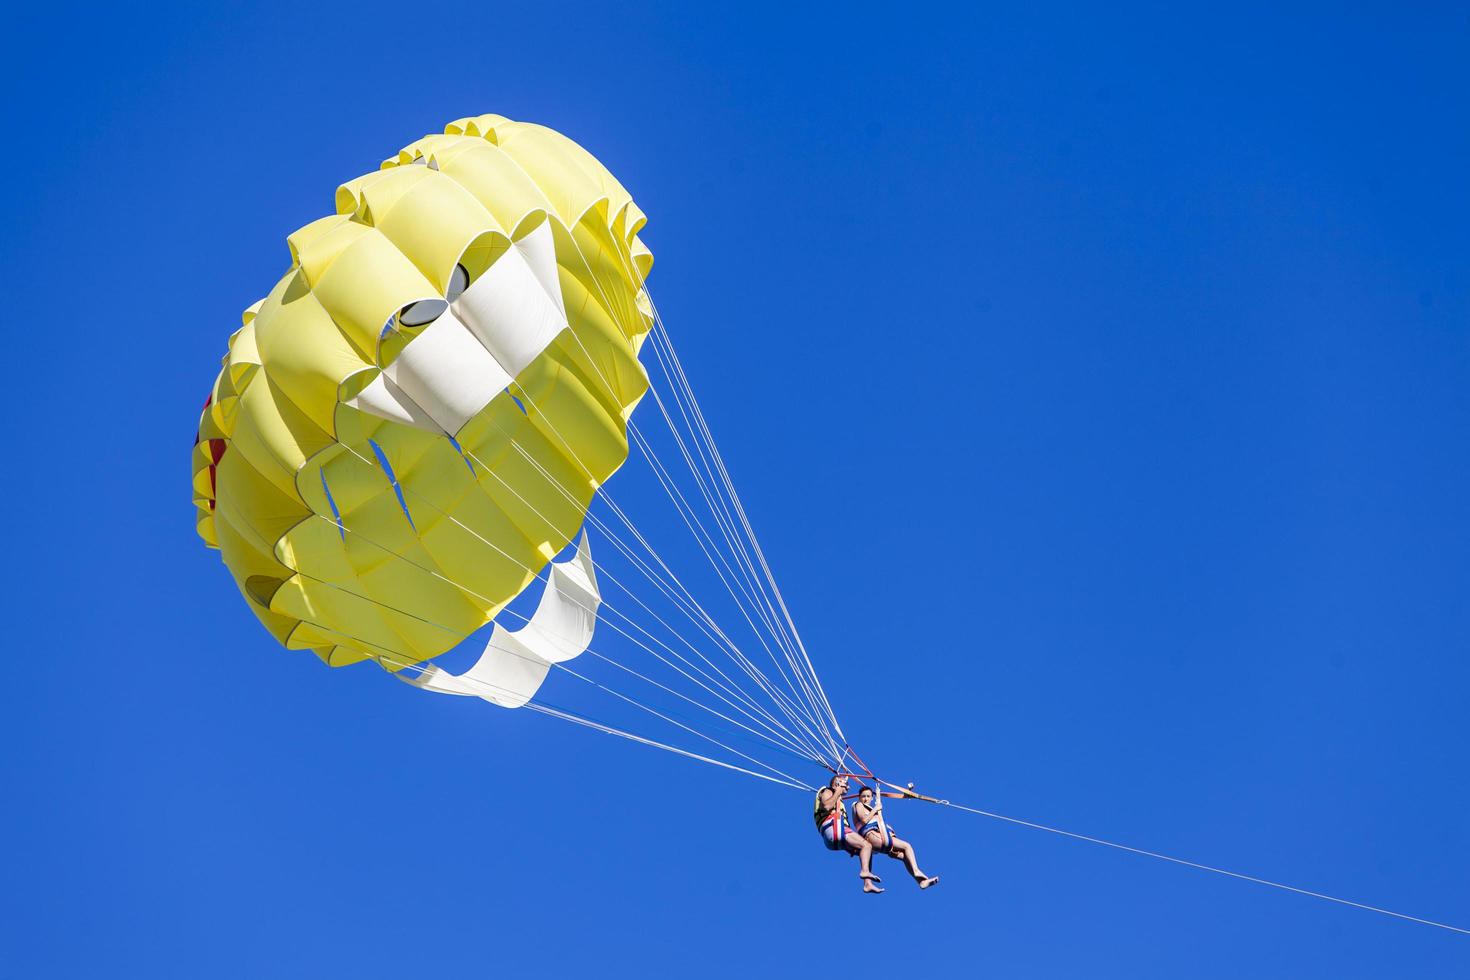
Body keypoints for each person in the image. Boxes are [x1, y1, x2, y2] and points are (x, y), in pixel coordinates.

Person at [852, 785, 940, 889]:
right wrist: (876, 808)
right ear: (859, 797)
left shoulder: (871, 808)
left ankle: (921, 882)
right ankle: (916, 871)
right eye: (863, 796)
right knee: (907, 846)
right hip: (872, 836)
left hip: (880, 836)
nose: (865, 799)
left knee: (904, 856)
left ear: (872, 798)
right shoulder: (858, 805)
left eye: (868, 796)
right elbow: (864, 820)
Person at [814, 775, 883, 893]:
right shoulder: (827, 791)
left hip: (835, 836)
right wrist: (838, 791)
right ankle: (865, 872)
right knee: (866, 845)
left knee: (867, 850)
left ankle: (867, 884)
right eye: (845, 783)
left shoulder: (837, 798)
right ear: (837, 783)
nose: (848, 787)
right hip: (832, 829)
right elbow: (826, 806)